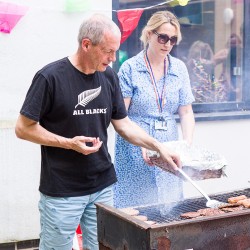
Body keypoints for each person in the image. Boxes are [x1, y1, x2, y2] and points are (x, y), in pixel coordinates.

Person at [15, 13, 182, 250]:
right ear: (86, 44)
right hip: (63, 190)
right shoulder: (50, 77)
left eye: (116, 51)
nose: (113, 58)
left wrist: (158, 147)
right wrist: (68, 143)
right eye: (107, 51)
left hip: (103, 185)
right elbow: (23, 128)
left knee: (103, 246)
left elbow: (123, 124)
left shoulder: (108, 76)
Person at [113, 11, 195, 208]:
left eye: (173, 40)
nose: (167, 44)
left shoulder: (179, 69)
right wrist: (143, 144)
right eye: (163, 37)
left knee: (169, 208)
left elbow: (186, 112)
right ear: (149, 34)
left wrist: (186, 145)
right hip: (136, 146)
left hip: (169, 144)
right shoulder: (130, 68)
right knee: (136, 210)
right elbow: (121, 115)